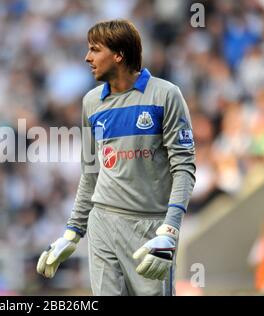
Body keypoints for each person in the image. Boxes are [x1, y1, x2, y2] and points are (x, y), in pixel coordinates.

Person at [36, 19, 196, 296]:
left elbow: (184, 168)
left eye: (95, 50)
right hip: (103, 222)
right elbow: (90, 172)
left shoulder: (166, 95)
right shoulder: (90, 102)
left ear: (119, 55)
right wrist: (73, 231)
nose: (87, 58)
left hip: (150, 228)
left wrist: (170, 229)